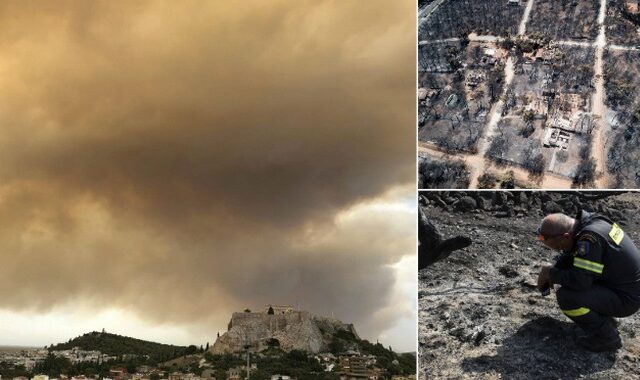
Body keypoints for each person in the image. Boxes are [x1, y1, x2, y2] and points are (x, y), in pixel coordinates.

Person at [536, 210, 640, 352]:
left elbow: (581, 282)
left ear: (565, 236)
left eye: (545, 239)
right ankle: (604, 319)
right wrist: (554, 269)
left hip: (626, 300)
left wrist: (552, 273)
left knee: (567, 297)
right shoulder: (590, 223)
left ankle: (607, 338)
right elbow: (571, 255)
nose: (542, 241)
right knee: (579, 276)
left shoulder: (589, 239)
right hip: (624, 287)